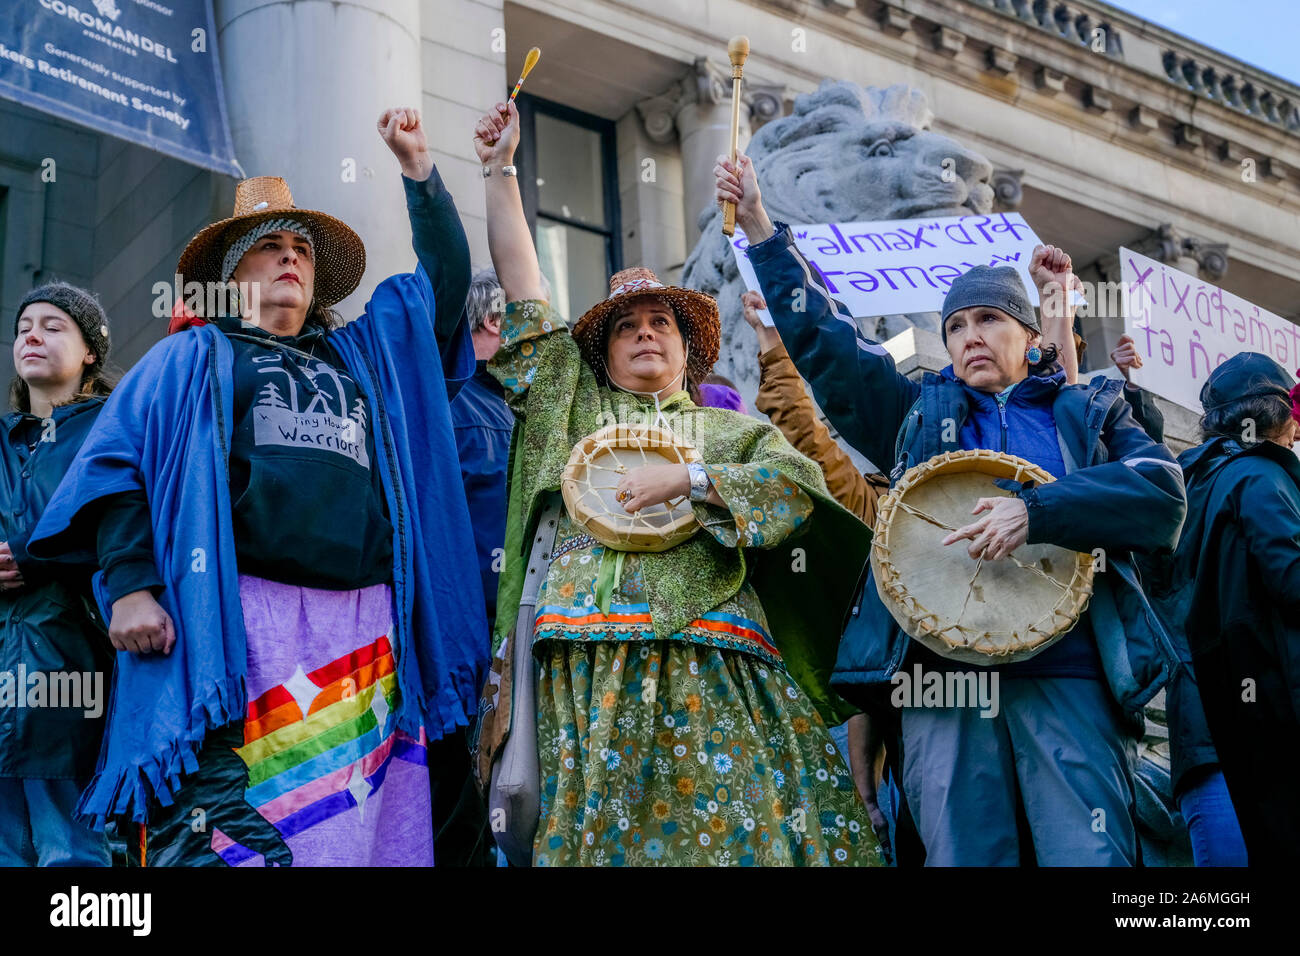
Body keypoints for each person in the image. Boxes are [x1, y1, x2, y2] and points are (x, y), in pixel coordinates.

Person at [28, 107, 486, 866]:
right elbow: (115, 473)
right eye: (268, 247)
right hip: (236, 625)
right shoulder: (191, 357)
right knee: (237, 844)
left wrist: (419, 175)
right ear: (229, 278)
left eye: (300, 249)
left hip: (365, 635)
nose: (290, 260)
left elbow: (439, 291)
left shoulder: (364, 356)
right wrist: (134, 588)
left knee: (346, 841)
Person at [717, 152, 1187, 865]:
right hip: (942, 685)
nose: (969, 334)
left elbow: (1160, 490)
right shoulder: (913, 411)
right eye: (957, 323)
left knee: (1087, 858)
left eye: (990, 319)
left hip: (1069, 676)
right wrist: (758, 223)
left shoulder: (1087, 408)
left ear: (1033, 340)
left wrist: (1037, 512)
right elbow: (827, 342)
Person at [473, 100, 882, 866]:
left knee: (737, 841)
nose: (645, 334)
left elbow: (796, 491)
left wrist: (691, 479)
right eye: (627, 327)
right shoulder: (574, 401)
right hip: (587, 665)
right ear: (601, 353)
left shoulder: (734, 429)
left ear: (688, 347)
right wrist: (499, 171)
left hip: (714, 658)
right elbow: (525, 294)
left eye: (661, 323)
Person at [1103, 334, 1248, 867]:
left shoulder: (1228, 487)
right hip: (1211, 733)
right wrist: (1134, 395)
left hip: (1208, 734)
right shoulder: (1232, 488)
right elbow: (1158, 481)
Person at [1161, 352, 1299, 865]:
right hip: (1263, 727)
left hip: (1199, 728)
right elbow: (1292, 579)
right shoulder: (1260, 477)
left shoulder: (1184, 486)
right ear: (1275, 416)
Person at [0, 283, 116, 866]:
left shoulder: (114, 428)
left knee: (74, 860)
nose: (31, 336)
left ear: (90, 351)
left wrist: (31, 555)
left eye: (52, 325)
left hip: (76, 677)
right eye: (23, 327)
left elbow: (129, 527)